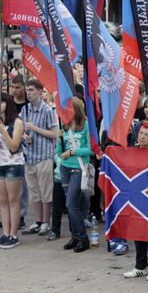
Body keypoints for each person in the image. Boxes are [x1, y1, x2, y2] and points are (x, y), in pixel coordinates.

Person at [123, 121, 148, 281]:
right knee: (137, 230)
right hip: (135, 198)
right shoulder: (131, 152)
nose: (142, 137)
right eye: (141, 133)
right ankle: (140, 266)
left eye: (147, 135)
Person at [20, 79, 58, 237]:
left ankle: (46, 222)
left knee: (45, 191)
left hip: (44, 156)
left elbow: (54, 133)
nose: (28, 93)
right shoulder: (25, 109)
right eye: (27, 90)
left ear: (40, 92)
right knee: (34, 192)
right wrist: (24, 135)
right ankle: (37, 220)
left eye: (31, 90)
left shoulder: (48, 110)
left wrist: (35, 128)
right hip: (29, 156)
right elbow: (20, 129)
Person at [57, 97, 94, 253]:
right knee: (72, 204)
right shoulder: (64, 127)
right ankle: (75, 236)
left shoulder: (85, 125)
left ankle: (83, 238)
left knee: (71, 204)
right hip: (65, 168)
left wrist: (72, 152)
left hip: (79, 168)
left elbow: (91, 149)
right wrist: (61, 145)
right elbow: (60, 151)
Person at [0, 93, 25, 249]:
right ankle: (6, 232)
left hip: (13, 164)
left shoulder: (17, 122)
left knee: (13, 199)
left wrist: (3, 130)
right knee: (2, 201)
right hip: (0, 164)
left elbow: (14, 146)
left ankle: (14, 234)